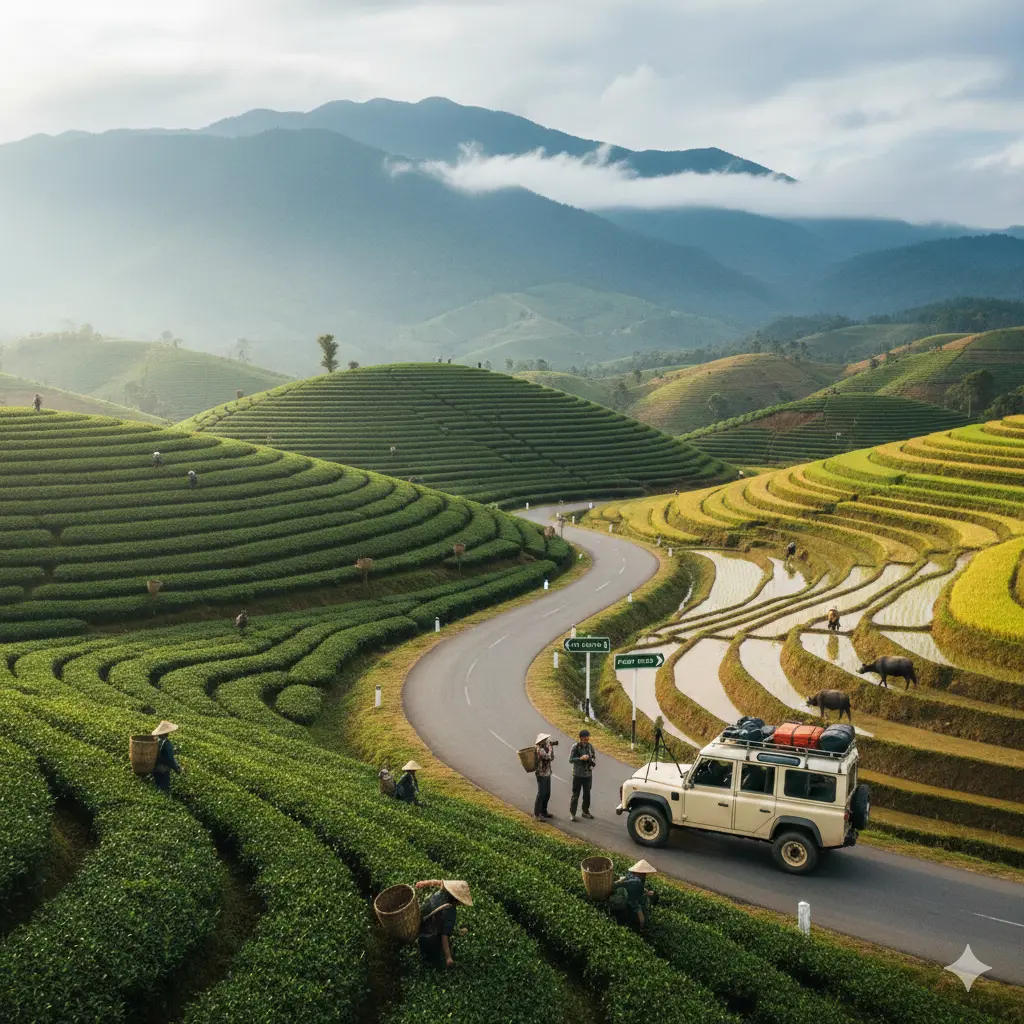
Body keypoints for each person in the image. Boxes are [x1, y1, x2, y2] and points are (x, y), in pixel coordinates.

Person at [414, 880, 472, 968]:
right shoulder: (450, 911)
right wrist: (448, 957)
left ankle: (455, 931)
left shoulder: (441, 892)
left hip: (421, 925)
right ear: (457, 900)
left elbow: (438, 882)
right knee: (439, 961)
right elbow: (444, 936)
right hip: (428, 940)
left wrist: (423, 883)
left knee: (443, 925)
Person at [611, 859, 657, 932]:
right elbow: (619, 884)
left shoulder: (633, 875)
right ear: (640, 873)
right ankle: (642, 928)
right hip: (631, 899)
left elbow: (639, 887)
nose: (645, 875)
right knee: (640, 915)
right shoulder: (636, 881)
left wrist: (646, 891)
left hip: (632, 894)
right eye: (644, 873)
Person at [569, 728, 596, 821]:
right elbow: (571, 760)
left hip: (588, 775)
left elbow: (594, 756)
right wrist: (580, 758)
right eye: (585, 739)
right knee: (575, 795)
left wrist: (590, 758)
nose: (586, 741)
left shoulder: (590, 746)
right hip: (577, 774)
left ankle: (585, 812)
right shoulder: (575, 747)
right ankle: (572, 813)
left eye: (587, 739)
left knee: (587, 795)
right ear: (580, 738)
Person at [151, 720, 183, 793]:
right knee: (163, 790)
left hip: (154, 768)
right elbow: (170, 759)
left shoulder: (156, 740)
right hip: (163, 770)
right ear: (166, 733)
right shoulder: (167, 743)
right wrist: (177, 769)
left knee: (157, 788)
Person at [534, 732, 555, 820]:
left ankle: (544, 811)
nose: (546, 741)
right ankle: (537, 814)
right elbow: (548, 757)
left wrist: (551, 749)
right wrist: (550, 749)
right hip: (541, 774)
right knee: (541, 793)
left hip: (547, 773)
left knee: (547, 793)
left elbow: (552, 757)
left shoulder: (545, 748)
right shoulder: (540, 749)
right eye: (545, 740)